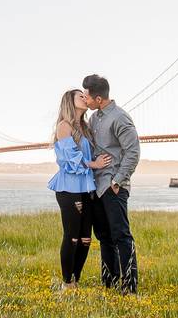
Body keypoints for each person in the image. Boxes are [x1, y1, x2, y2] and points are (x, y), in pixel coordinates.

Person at [47, 89, 112, 289]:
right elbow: (71, 159)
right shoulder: (64, 126)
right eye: (80, 96)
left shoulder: (84, 127)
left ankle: (76, 279)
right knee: (72, 236)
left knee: (85, 238)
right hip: (69, 188)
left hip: (86, 189)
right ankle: (67, 283)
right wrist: (95, 164)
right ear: (70, 101)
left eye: (85, 96)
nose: (85, 98)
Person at [84, 74, 141, 293]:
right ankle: (109, 283)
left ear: (98, 98)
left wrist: (117, 181)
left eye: (87, 96)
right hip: (97, 187)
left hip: (113, 186)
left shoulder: (120, 118)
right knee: (104, 238)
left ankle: (130, 286)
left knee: (121, 236)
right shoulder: (94, 118)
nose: (85, 99)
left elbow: (133, 153)